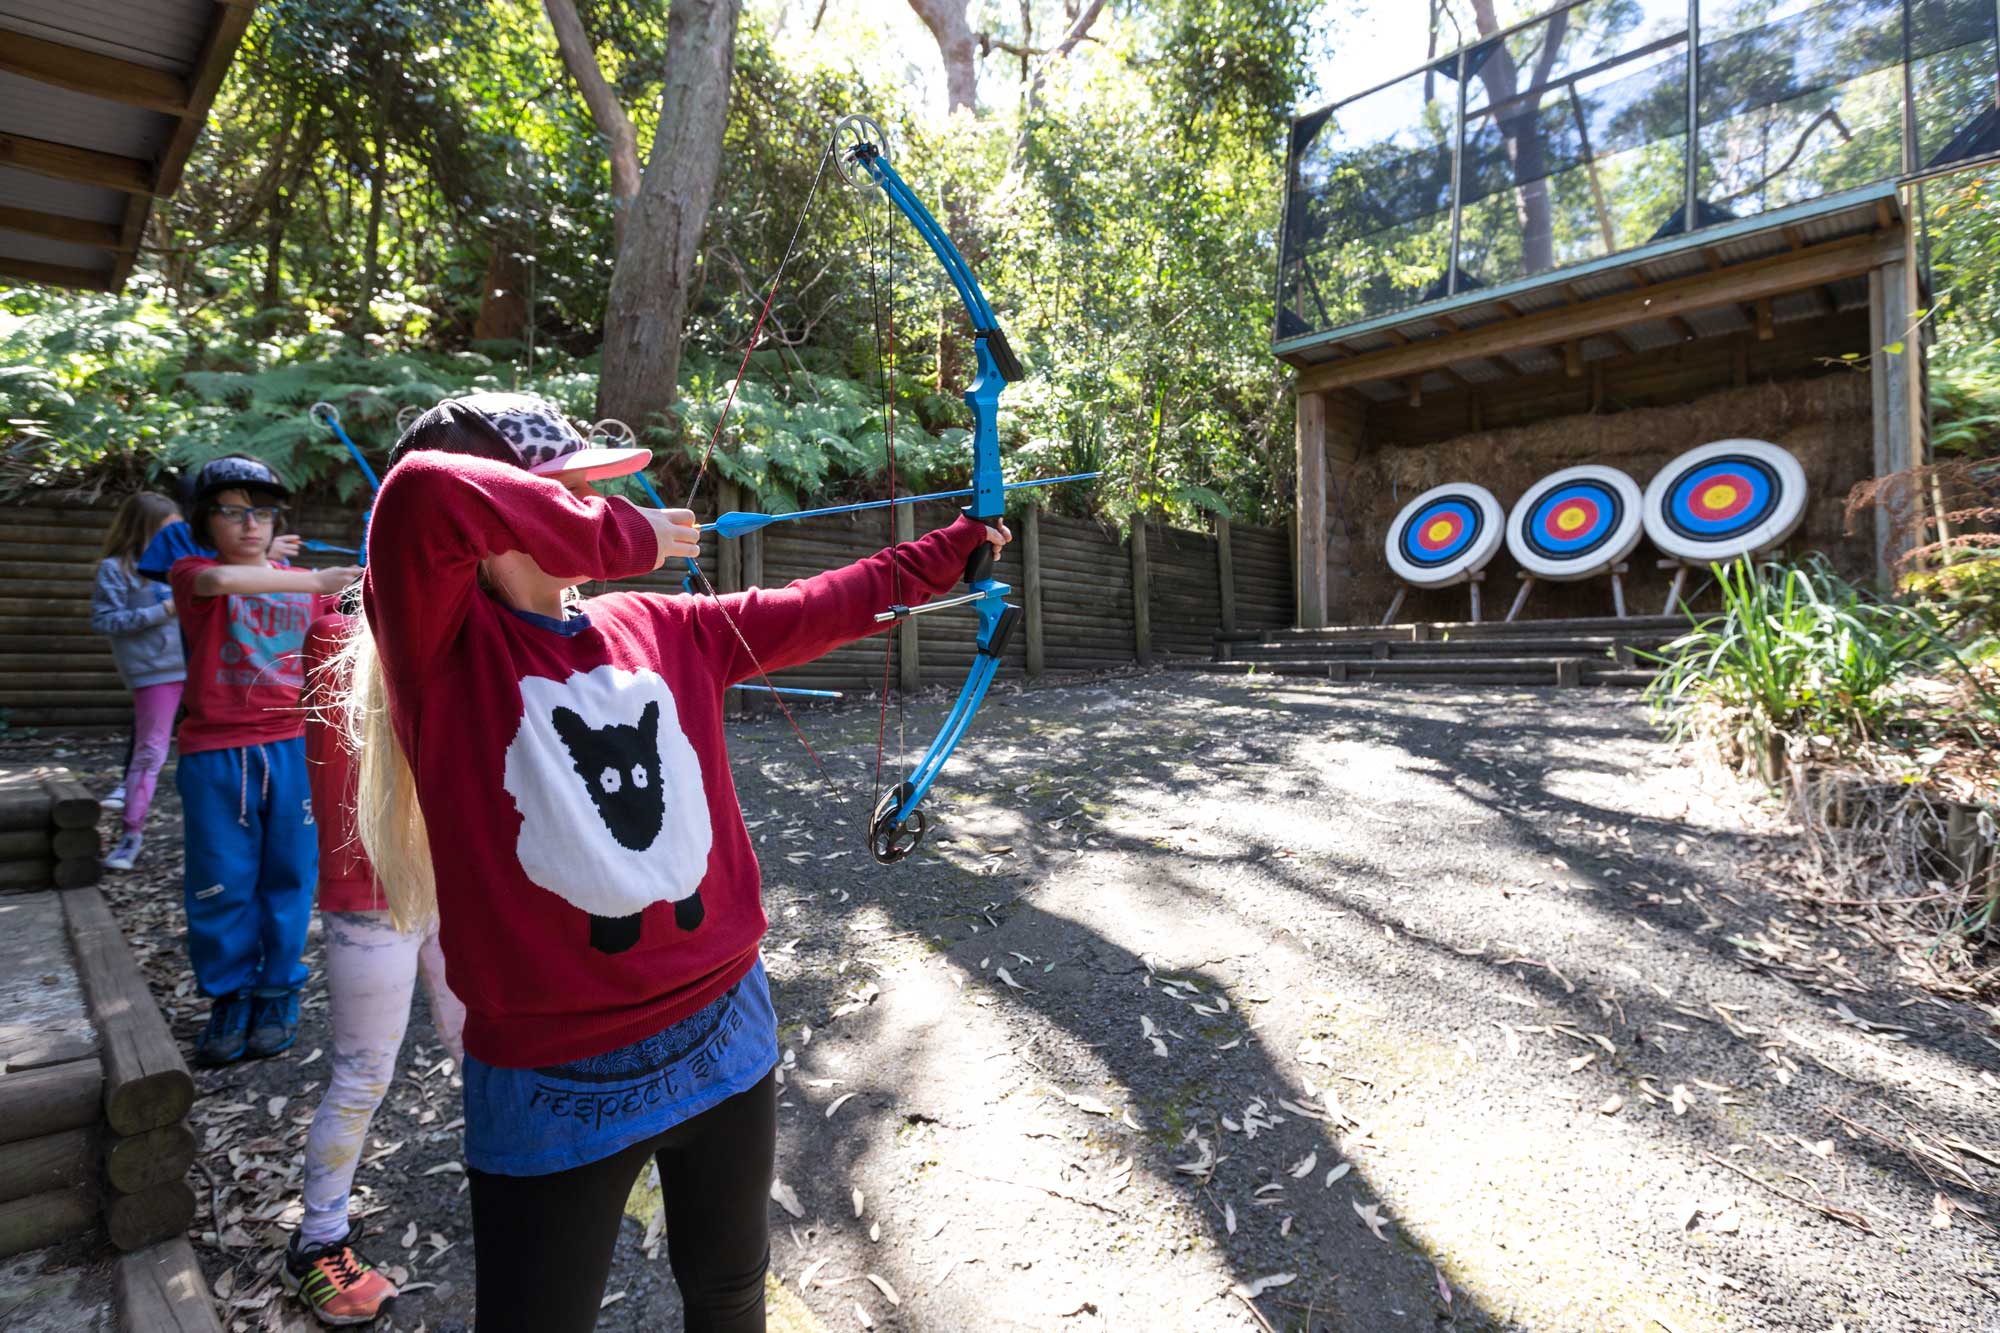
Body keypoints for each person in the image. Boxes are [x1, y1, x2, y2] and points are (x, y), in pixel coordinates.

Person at [337, 392, 1007, 1332]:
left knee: (730, 1293)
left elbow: (817, 606)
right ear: (510, 514)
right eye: (570, 491)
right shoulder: (444, 655)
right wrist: (621, 535)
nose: (595, 505)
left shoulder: (654, 624)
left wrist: (948, 554)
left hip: (725, 1030)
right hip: (554, 1075)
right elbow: (418, 492)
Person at [282, 595, 466, 1327]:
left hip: (445, 885)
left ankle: (516, 1169)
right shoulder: (339, 634)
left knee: (482, 1045)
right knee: (363, 1074)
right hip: (369, 896)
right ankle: (318, 1240)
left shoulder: (448, 636)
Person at [162, 456, 360, 1066]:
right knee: (220, 879)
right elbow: (223, 585)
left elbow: (343, 635)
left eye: (264, 512)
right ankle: (229, 996)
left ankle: (277, 990)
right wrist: (321, 578)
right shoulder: (193, 572)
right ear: (205, 521)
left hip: (294, 746)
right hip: (216, 750)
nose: (250, 525)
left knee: (291, 875)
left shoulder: (302, 584)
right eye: (232, 511)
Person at [90, 491, 187, 870]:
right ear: (143, 528)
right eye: (167, 530)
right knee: (150, 753)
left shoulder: (187, 564)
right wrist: (162, 609)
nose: (175, 537)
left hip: (197, 668)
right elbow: (105, 620)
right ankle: (130, 836)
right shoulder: (116, 569)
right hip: (154, 674)